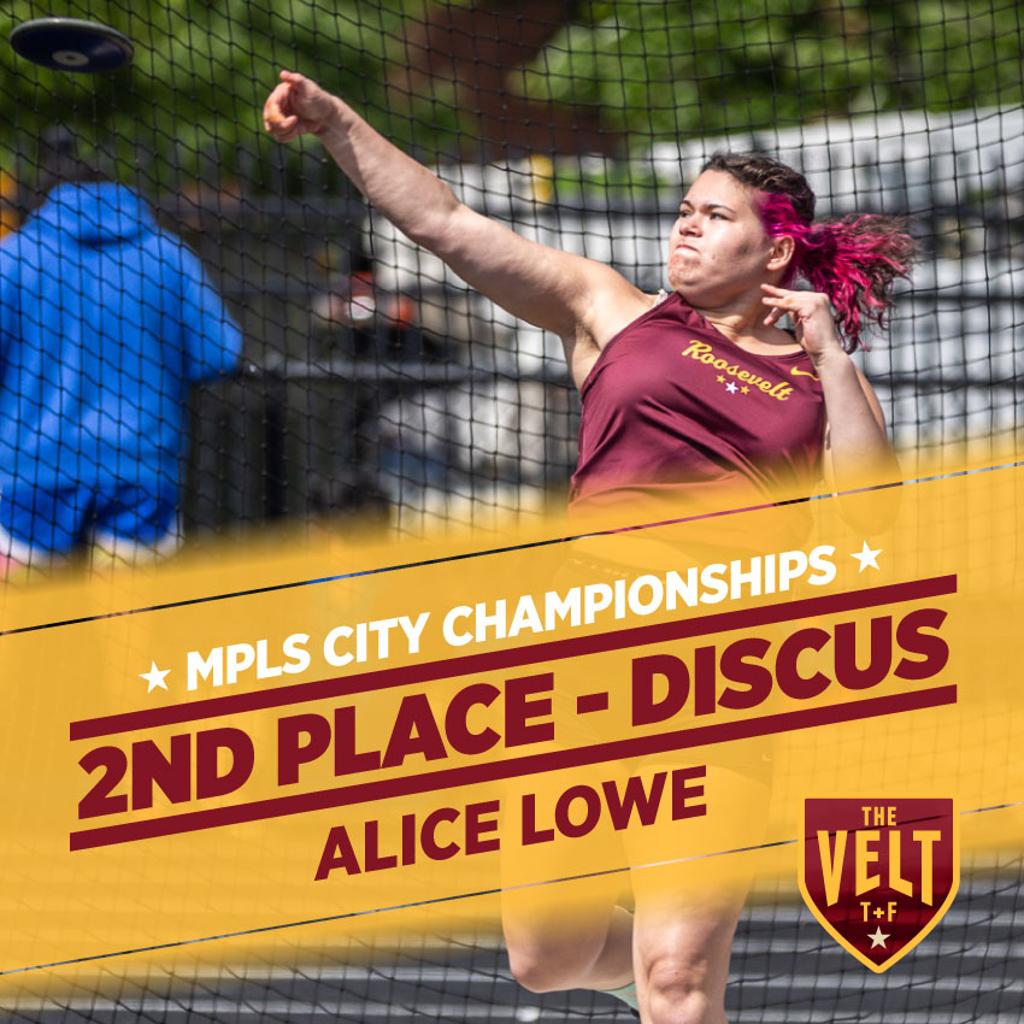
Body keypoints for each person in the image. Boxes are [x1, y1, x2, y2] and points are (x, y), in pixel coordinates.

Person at [263, 71, 914, 1023]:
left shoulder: (821, 382)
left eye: (716, 215)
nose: (686, 226)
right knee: (544, 953)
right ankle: (648, 983)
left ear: (775, 247)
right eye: (685, 208)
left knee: (680, 974)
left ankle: (669, 992)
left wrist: (830, 355)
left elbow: (872, 518)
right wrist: (333, 120)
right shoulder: (614, 310)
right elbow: (445, 224)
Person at [0, 137, 242, 576]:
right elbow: (218, 353)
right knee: (130, 640)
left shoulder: (16, 258)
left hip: (30, 473)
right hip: (140, 471)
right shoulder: (166, 255)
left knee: (21, 637)